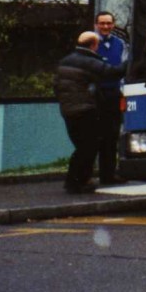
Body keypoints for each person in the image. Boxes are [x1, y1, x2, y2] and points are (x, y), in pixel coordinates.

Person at [53, 31, 126, 194]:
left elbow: (56, 86)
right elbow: (112, 72)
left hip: (68, 109)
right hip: (84, 108)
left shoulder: (66, 60)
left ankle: (75, 181)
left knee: (81, 146)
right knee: (89, 146)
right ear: (94, 45)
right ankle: (77, 182)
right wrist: (130, 63)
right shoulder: (88, 61)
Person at [92, 11, 127, 184]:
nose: (105, 27)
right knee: (96, 136)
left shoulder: (120, 44)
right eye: (102, 23)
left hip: (114, 94)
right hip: (96, 95)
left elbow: (124, 67)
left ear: (113, 25)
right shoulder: (91, 43)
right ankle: (91, 175)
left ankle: (109, 174)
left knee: (112, 135)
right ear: (96, 25)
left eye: (108, 23)